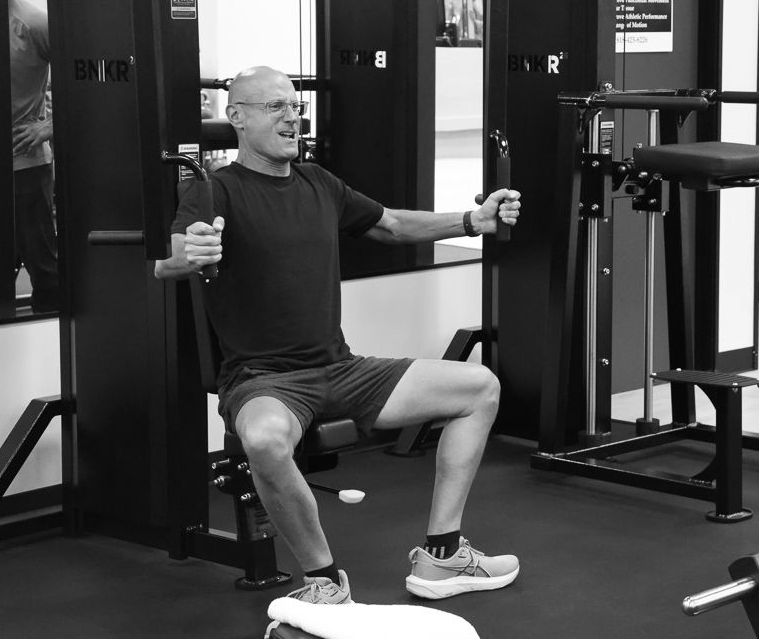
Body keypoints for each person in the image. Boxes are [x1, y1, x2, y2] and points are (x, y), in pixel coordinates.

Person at [155, 66, 522, 605]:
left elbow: (392, 224)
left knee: (478, 387)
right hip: (264, 380)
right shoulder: (215, 190)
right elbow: (172, 259)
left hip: (340, 368)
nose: (291, 115)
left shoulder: (317, 182)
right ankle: (325, 582)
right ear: (236, 117)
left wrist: (473, 221)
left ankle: (442, 555)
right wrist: (189, 255)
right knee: (262, 440)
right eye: (274, 106)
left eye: (294, 105)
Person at [9, 0, 60, 314]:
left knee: (44, 266)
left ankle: (52, 349)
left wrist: (49, 126)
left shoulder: (34, 23)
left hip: (26, 166)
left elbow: (83, 74)